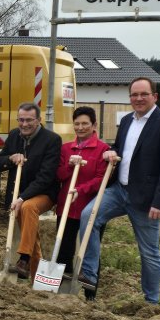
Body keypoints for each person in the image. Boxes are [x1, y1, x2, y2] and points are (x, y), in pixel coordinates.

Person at [78, 77, 160, 303]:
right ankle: (89, 278)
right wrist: (111, 152)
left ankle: (151, 302)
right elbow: (120, 148)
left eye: (143, 94)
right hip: (119, 191)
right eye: (134, 95)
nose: (138, 98)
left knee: (149, 252)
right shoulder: (127, 121)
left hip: (146, 198)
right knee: (88, 217)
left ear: (154, 96)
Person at [0, 102, 62, 280]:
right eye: (21, 120)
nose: (24, 124)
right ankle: (37, 277)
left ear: (39, 120)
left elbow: (46, 177)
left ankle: (23, 257)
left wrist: (23, 197)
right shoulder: (14, 135)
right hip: (18, 194)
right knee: (30, 232)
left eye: (29, 120)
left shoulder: (52, 140)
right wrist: (10, 157)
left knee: (28, 207)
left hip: (44, 193)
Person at [54, 106, 109, 276]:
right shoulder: (66, 148)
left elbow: (102, 179)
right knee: (63, 250)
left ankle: (89, 293)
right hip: (67, 208)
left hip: (91, 207)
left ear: (94, 125)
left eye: (85, 123)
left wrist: (81, 189)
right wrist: (69, 166)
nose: (80, 127)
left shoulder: (103, 149)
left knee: (89, 250)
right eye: (76, 124)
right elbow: (58, 175)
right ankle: (62, 290)